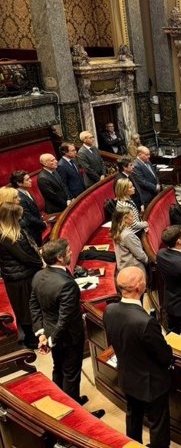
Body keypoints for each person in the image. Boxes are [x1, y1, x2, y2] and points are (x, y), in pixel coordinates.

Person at [104, 267, 173, 448]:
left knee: (133, 418)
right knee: (158, 425)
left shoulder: (110, 310)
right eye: (143, 279)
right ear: (138, 287)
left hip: (128, 378)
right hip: (151, 384)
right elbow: (164, 356)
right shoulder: (145, 322)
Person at [30, 239, 87, 403]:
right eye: (68, 251)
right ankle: (74, 411)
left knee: (59, 369)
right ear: (60, 258)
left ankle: (61, 402)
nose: (71, 252)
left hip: (49, 331)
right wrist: (50, 340)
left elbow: (33, 306)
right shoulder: (66, 284)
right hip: (68, 336)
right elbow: (65, 318)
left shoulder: (39, 275)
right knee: (71, 373)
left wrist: (42, 334)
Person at [0, 202, 42, 349]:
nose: (21, 219)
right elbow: (25, 257)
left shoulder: (12, 231)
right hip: (20, 279)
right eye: (18, 216)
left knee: (27, 310)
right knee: (26, 311)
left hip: (20, 276)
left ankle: (33, 338)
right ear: (12, 218)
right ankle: (32, 340)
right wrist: (41, 263)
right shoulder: (7, 237)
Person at [10, 171, 47, 246]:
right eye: (27, 179)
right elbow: (28, 217)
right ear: (19, 183)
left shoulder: (25, 191)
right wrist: (42, 224)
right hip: (32, 232)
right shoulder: (19, 198)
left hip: (37, 227)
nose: (30, 180)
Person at [110, 207, 148, 272]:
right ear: (125, 219)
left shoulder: (117, 229)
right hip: (133, 269)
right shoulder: (128, 235)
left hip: (124, 266)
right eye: (132, 216)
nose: (133, 219)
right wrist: (147, 261)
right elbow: (140, 255)